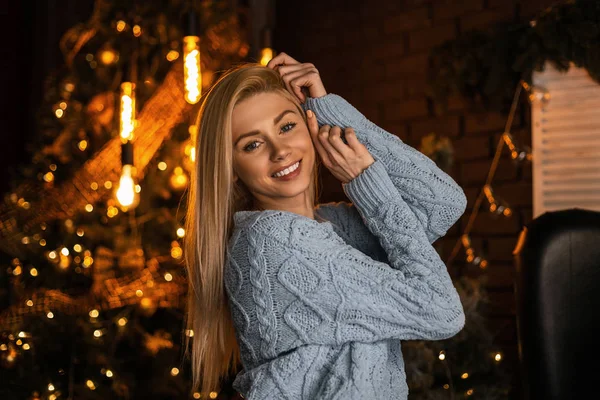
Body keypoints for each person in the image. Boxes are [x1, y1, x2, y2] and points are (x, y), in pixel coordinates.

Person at [183, 52, 467, 399]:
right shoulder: (274, 242)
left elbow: (442, 203)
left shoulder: (329, 226)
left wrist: (328, 109)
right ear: (230, 167)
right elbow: (440, 310)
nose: (280, 150)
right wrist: (365, 179)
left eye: (287, 126)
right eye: (252, 144)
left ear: (309, 125)